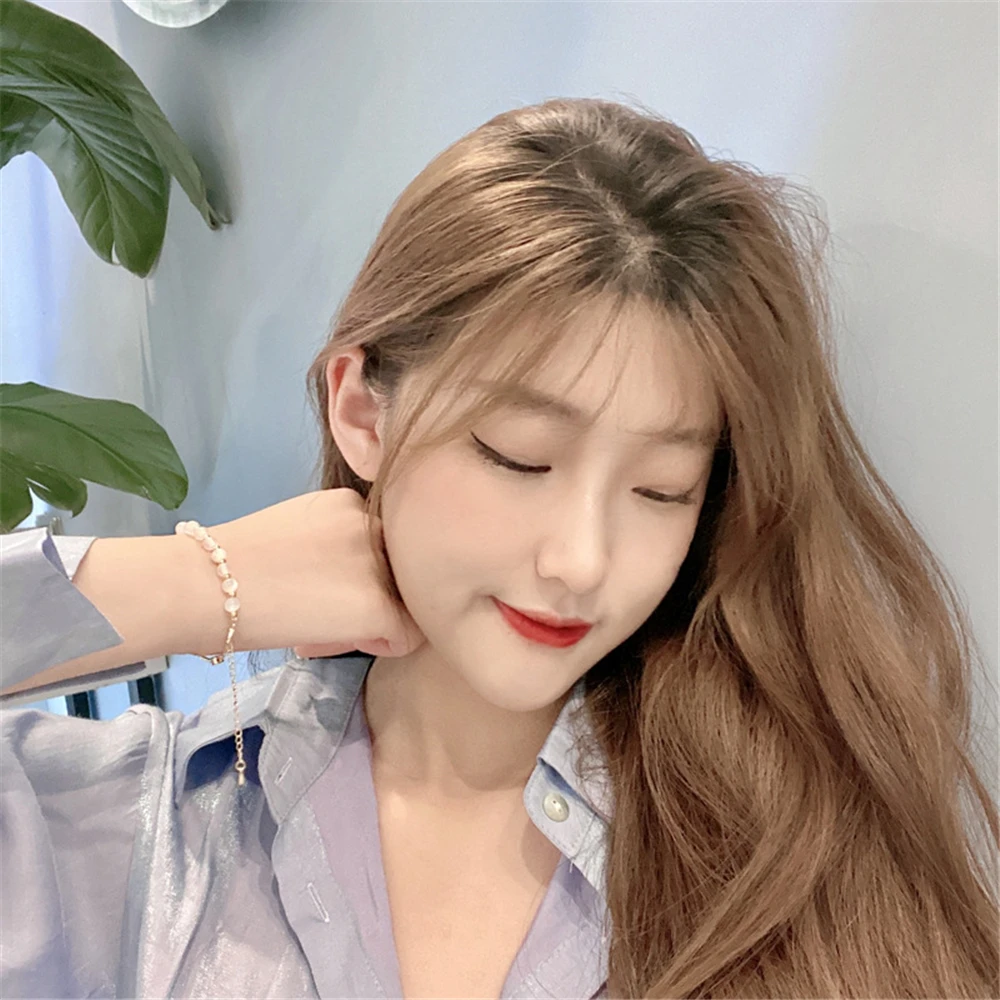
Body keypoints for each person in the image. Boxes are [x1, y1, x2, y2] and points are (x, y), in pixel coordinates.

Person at [1, 96, 996, 1000]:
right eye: (519, 457)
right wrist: (193, 582)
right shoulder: (135, 831)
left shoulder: (787, 848)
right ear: (362, 412)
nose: (582, 560)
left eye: (661, 490)